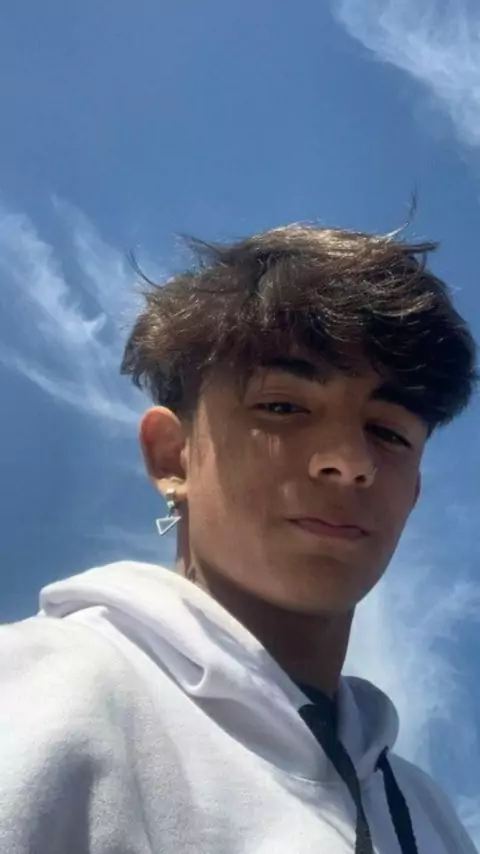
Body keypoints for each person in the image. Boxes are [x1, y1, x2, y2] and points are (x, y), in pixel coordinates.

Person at [1, 224, 477, 854]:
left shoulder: (429, 815)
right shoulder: (39, 688)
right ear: (172, 456)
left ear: (411, 494)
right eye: (283, 407)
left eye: (389, 432)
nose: (349, 461)